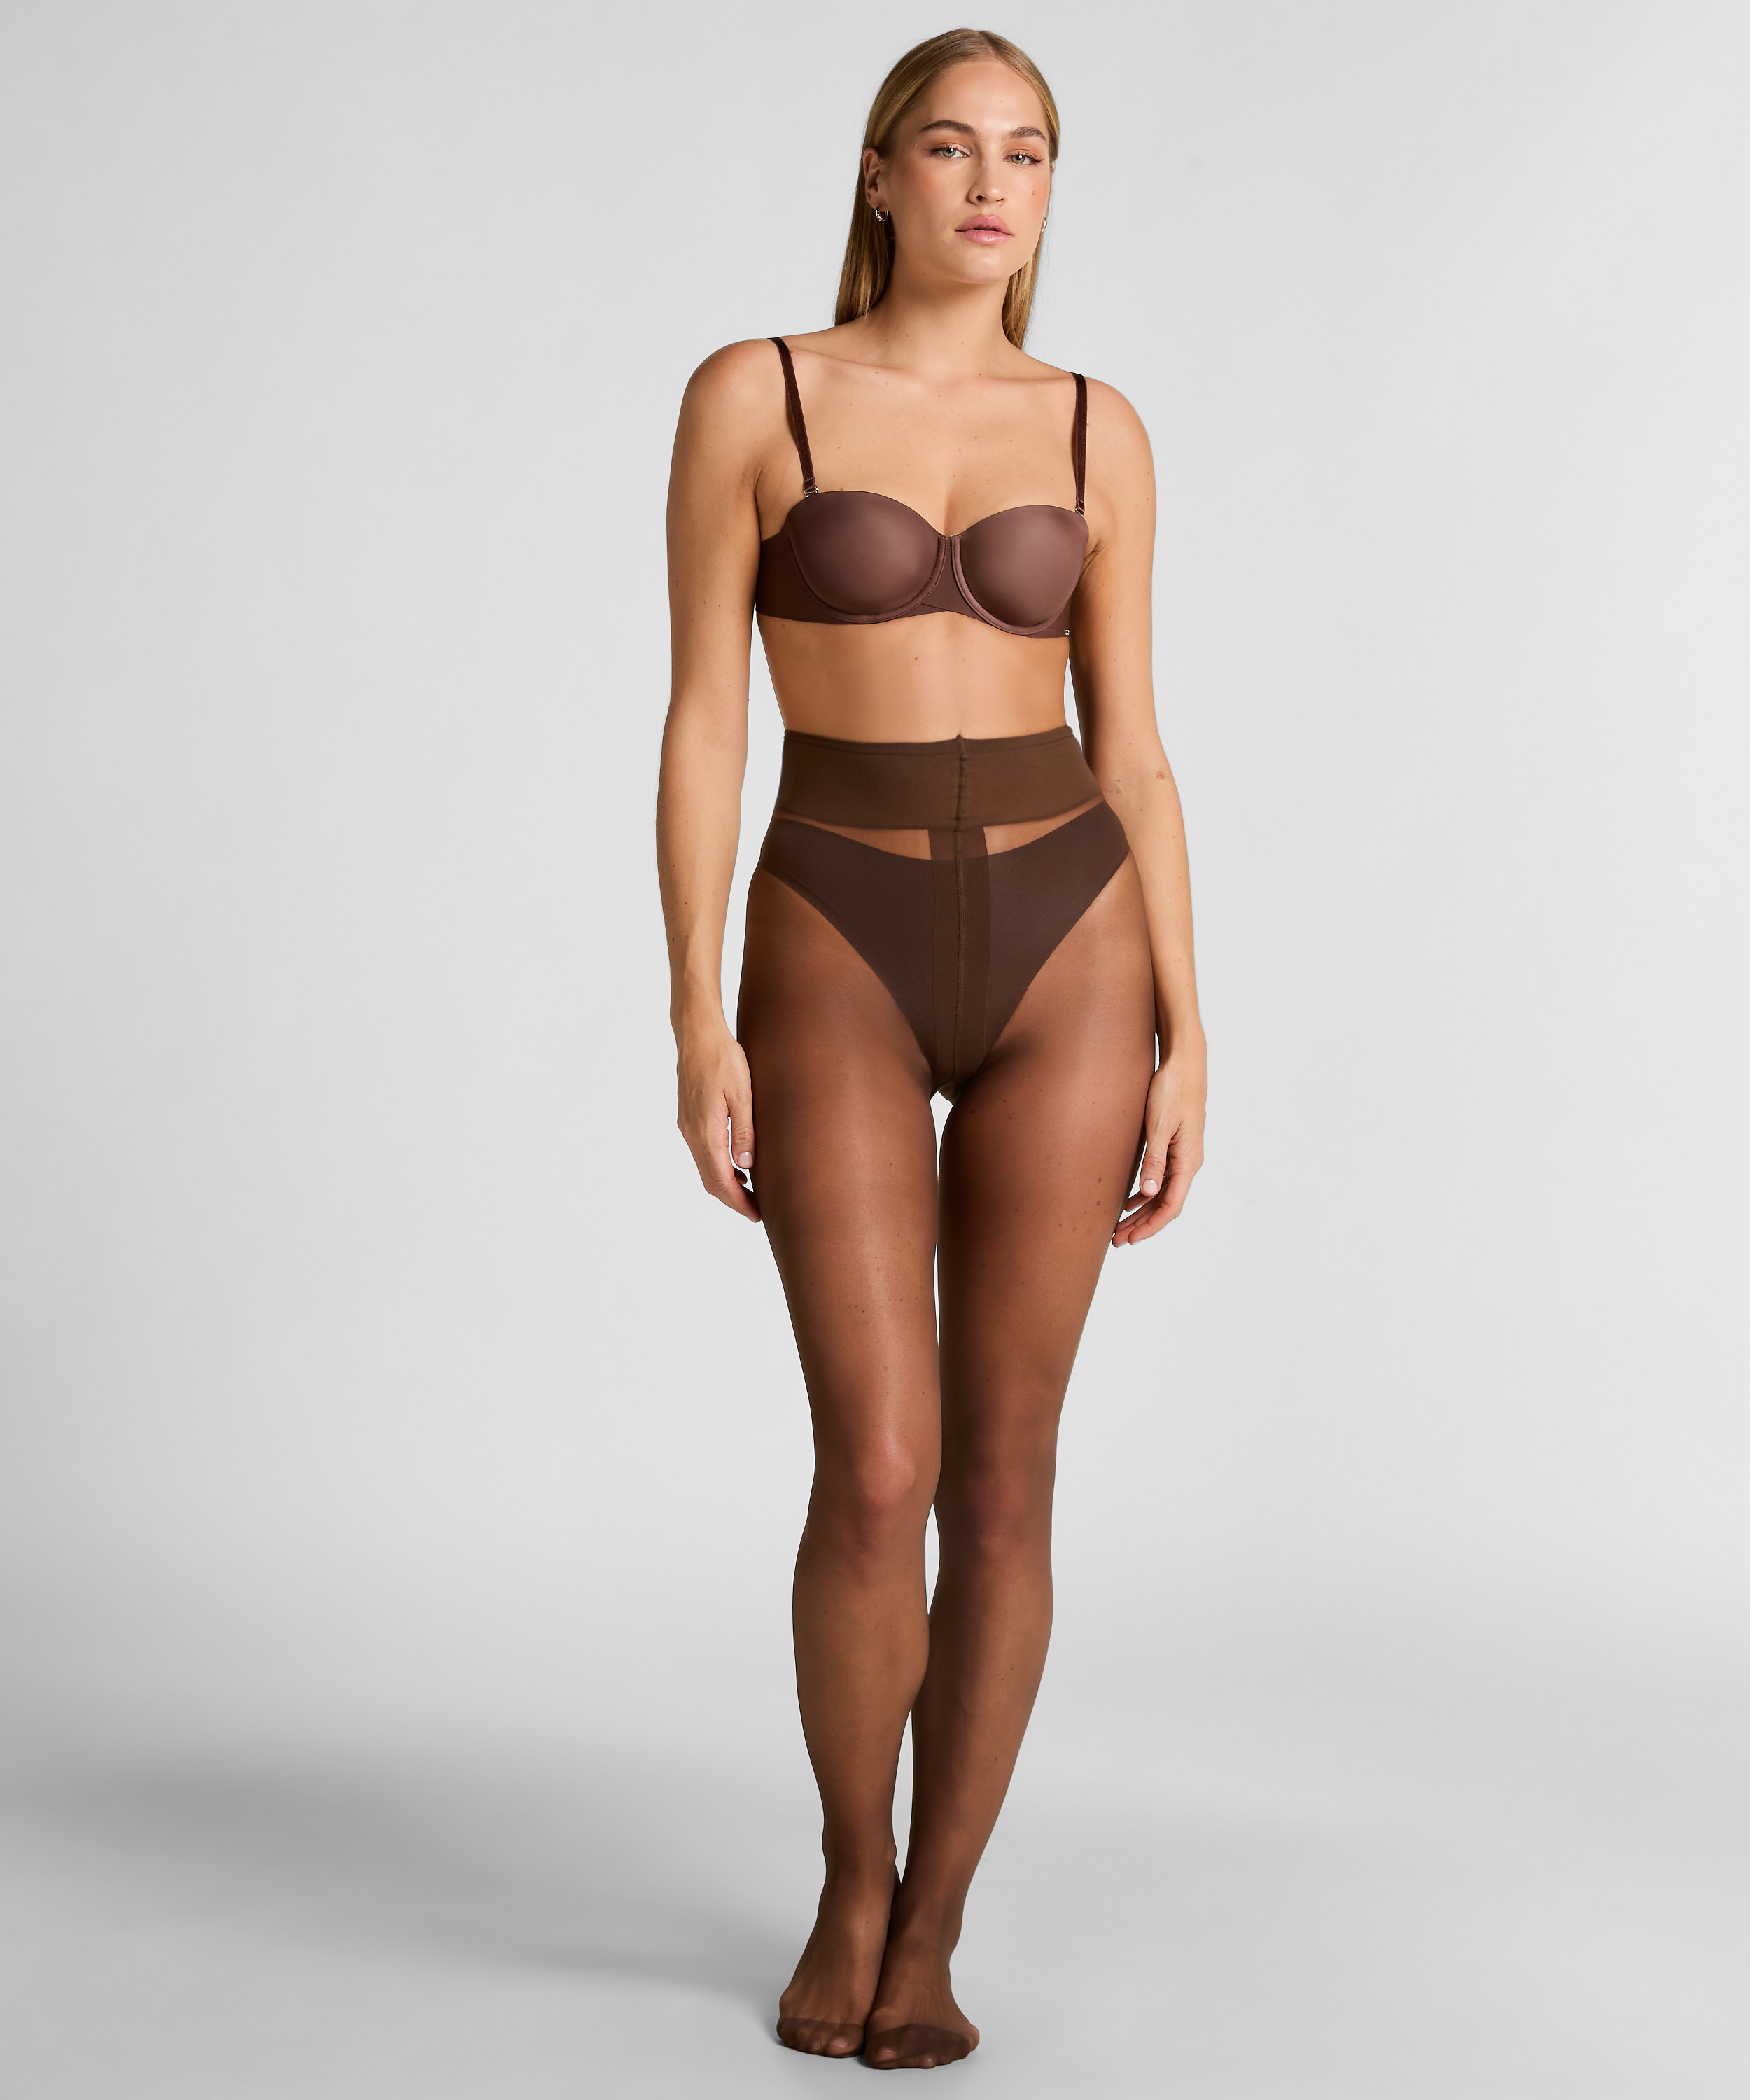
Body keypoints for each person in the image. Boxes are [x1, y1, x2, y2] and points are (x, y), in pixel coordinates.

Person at [655, 27, 1206, 2071]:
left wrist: (1192, 1029)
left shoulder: (1098, 428)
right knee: (876, 1466)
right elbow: (704, 719)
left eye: (1029, 154)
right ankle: (849, 1874)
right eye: (954, 148)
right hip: (833, 924)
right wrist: (691, 1006)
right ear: (879, 173)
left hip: (1073, 937)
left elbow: (1135, 743)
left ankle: (939, 1920)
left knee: (1003, 1472)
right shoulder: (759, 394)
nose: (992, 185)